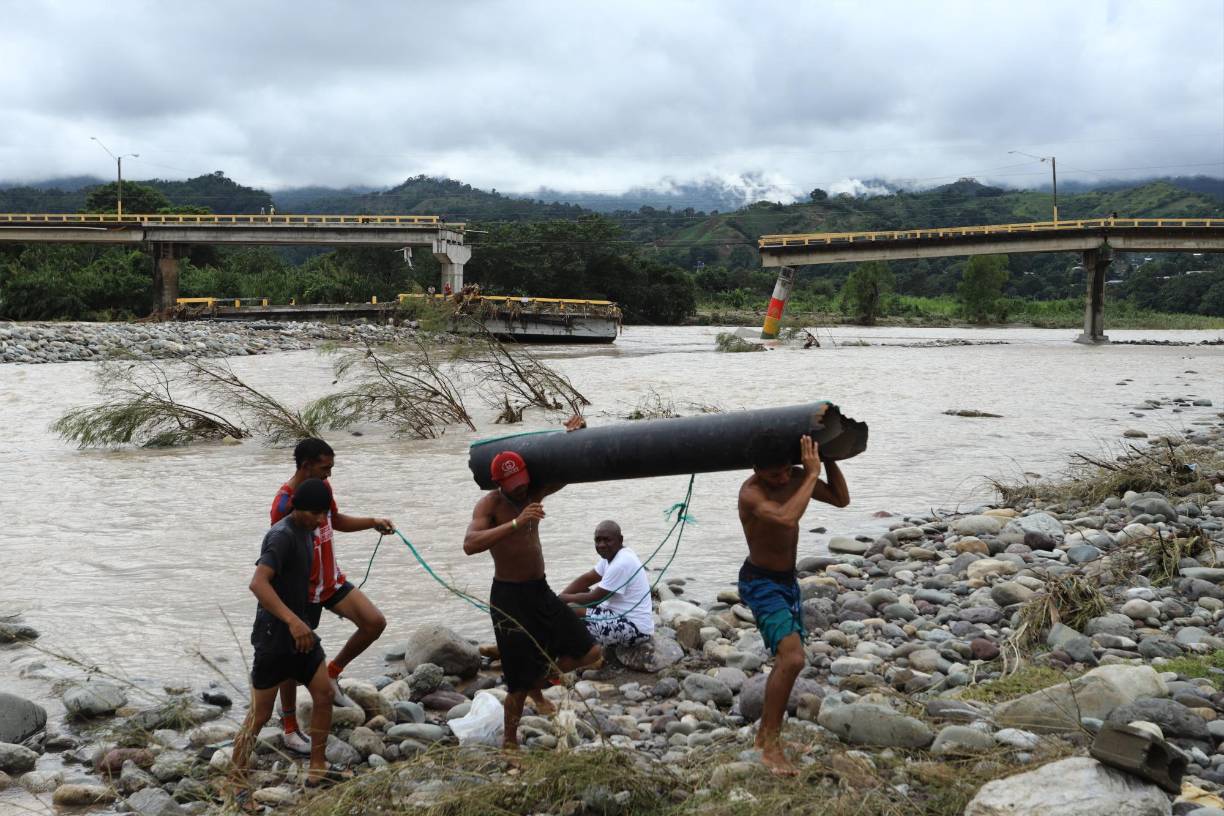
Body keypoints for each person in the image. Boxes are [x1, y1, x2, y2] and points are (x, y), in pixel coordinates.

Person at [462, 415, 602, 750]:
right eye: (514, 484)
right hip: (509, 597)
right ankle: (510, 743)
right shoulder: (491, 505)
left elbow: (567, 473)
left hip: (540, 589)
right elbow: (469, 544)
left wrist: (575, 436)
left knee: (591, 652)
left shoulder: (534, 491)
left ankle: (538, 680)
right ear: (499, 483)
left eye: (523, 480)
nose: (521, 487)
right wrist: (514, 524)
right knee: (516, 687)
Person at [270, 438, 395, 754]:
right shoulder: (284, 504)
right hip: (302, 594)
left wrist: (372, 522)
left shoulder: (321, 489)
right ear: (306, 465)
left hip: (331, 582)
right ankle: (289, 728)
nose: (329, 475)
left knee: (374, 623)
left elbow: (335, 522)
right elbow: (279, 552)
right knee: (289, 663)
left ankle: (333, 672)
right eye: (325, 468)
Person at [738, 432, 849, 776]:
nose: (784, 478)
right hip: (761, 583)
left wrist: (826, 458)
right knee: (792, 658)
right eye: (775, 475)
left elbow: (841, 499)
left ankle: (769, 737)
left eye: (789, 470)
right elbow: (786, 518)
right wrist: (811, 474)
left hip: (787, 582)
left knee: (791, 660)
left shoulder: (797, 476)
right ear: (757, 470)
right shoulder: (751, 493)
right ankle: (767, 743)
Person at [231, 478, 334, 786]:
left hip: (301, 633)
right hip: (274, 637)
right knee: (260, 715)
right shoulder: (282, 536)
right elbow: (258, 583)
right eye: (315, 513)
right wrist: (292, 621)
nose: (321, 520)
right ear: (297, 508)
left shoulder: (307, 530)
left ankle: (318, 763)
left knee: (324, 693)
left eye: (324, 514)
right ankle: (235, 778)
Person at [558, 520, 654, 647]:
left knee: (572, 610)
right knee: (573, 603)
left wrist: (559, 599)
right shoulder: (612, 556)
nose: (602, 545)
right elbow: (587, 579)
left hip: (635, 629)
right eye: (598, 540)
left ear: (620, 540)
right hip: (615, 615)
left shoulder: (621, 563)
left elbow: (593, 599)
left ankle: (584, 654)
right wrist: (560, 597)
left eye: (607, 540)